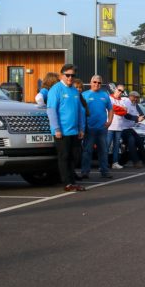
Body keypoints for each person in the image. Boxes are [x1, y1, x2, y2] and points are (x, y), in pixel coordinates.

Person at [46, 64, 86, 192]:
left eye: (72, 75)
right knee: (65, 156)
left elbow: (80, 111)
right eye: (67, 75)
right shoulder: (56, 89)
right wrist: (56, 128)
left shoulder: (74, 90)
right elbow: (51, 110)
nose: (70, 78)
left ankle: (72, 181)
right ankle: (68, 183)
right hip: (62, 131)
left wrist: (81, 128)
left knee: (75, 156)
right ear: (62, 75)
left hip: (74, 131)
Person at [80, 75, 113, 179]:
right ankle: (85, 172)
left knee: (103, 151)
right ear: (90, 82)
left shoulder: (105, 95)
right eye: (94, 82)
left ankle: (105, 171)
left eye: (99, 83)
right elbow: (80, 112)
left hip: (102, 129)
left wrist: (110, 121)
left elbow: (111, 109)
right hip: (89, 129)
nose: (96, 84)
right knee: (87, 151)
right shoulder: (84, 95)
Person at [124, 91, 145, 168]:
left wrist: (142, 117)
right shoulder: (126, 103)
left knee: (140, 142)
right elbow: (126, 115)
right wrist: (137, 118)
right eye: (135, 97)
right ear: (130, 96)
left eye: (137, 98)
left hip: (131, 128)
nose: (136, 99)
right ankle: (135, 162)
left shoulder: (135, 105)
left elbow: (142, 114)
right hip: (123, 128)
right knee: (131, 141)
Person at [108, 84, 131, 169]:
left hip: (119, 126)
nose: (120, 92)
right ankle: (103, 164)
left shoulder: (122, 101)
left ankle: (115, 162)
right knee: (106, 145)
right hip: (110, 126)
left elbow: (125, 112)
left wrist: (118, 110)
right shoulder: (109, 98)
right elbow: (112, 108)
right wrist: (120, 109)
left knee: (116, 146)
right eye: (119, 90)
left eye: (122, 91)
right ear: (115, 89)